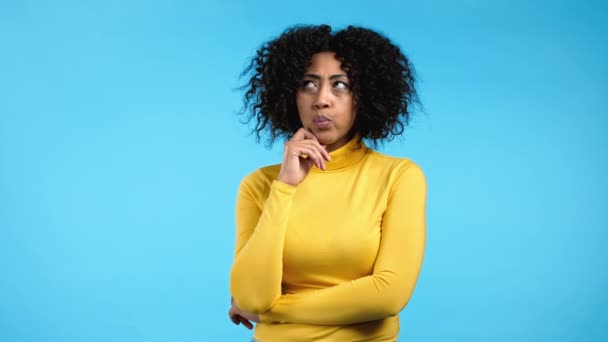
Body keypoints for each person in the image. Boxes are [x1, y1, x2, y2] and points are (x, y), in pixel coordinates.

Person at [228, 24, 427, 342]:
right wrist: (284, 188)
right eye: (308, 84)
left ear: (365, 96)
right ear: (290, 94)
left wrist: (272, 313)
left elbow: (388, 295)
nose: (321, 100)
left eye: (340, 85)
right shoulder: (260, 185)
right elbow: (251, 297)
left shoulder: (398, 177)